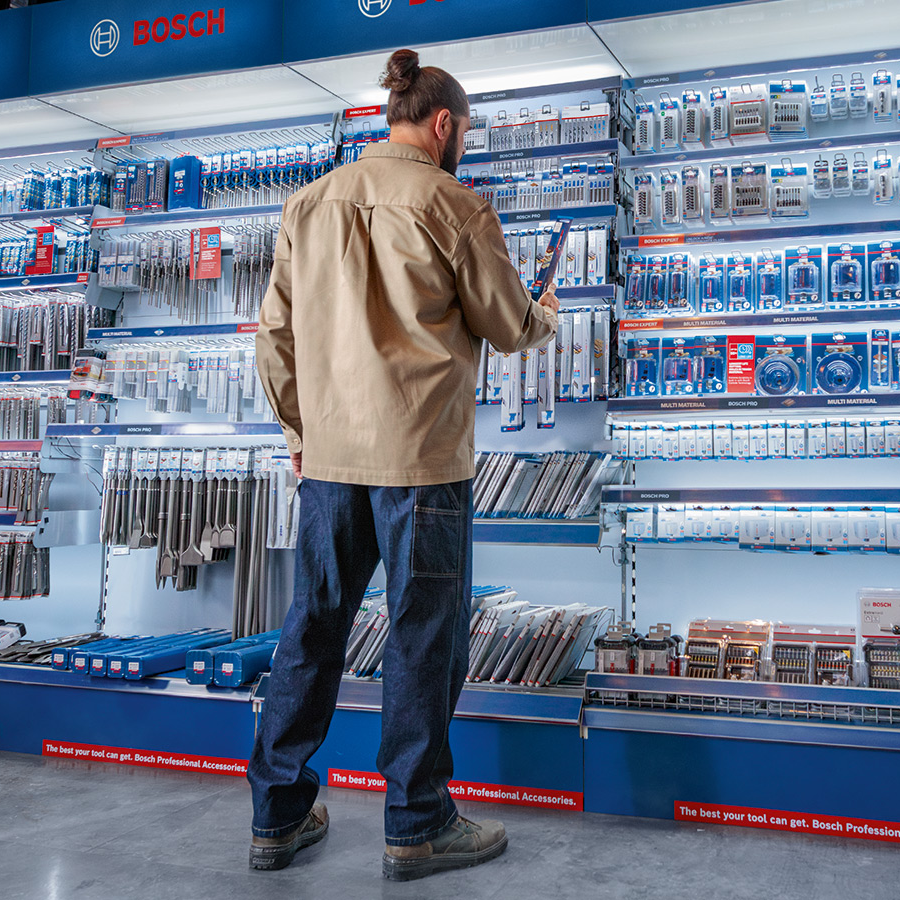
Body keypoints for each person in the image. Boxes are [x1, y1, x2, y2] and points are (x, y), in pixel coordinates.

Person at [245, 48, 558, 882]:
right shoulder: (455, 204)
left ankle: (276, 818)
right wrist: (545, 311)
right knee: (424, 640)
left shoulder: (305, 205)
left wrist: (299, 432)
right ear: (444, 125)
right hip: (422, 462)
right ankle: (416, 826)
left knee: (309, 633)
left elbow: (273, 341)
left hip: (331, 460)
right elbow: (506, 324)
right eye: (464, 132)